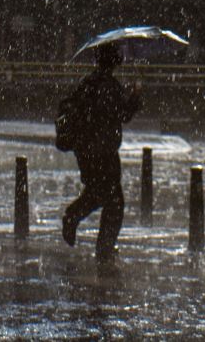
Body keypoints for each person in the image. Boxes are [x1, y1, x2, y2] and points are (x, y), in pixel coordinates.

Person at [62, 42, 141, 262]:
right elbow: (122, 115)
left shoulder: (88, 83)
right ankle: (104, 247)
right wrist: (134, 96)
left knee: (99, 193)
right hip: (103, 151)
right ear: (114, 61)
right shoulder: (109, 86)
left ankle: (75, 218)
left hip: (86, 150)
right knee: (114, 200)